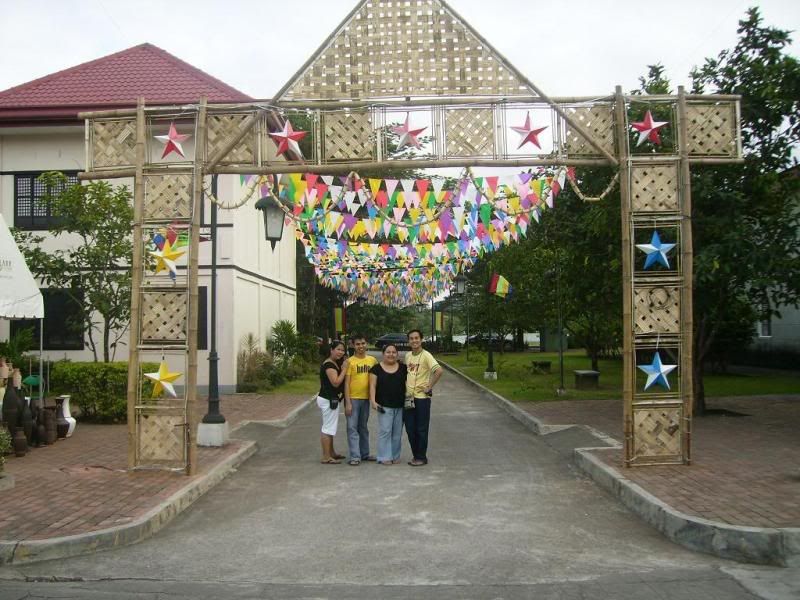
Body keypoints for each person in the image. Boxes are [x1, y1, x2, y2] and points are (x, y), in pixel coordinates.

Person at [403, 329, 443, 467]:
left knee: (421, 428)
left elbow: (438, 371)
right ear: (408, 341)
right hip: (408, 398)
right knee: (409, 428)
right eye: (411, 338)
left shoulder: (426, 355)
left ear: (421, 339)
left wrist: (429, 387)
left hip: (422, 399)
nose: (414, 341)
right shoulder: (408, 356)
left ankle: (421, 457)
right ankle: (416, 455)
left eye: (416, 338)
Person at [369, 344, 408, 465]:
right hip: (384, 406)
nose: (391, 354)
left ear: (397, 354)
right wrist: (373, 401)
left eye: (393, 352)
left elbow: (408, 384)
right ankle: (384, 456)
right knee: (385, 431)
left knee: (397, 432)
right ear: (383, 354)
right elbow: (372, 386)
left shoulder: (403, 368)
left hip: (400, 405)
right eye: (388, 352)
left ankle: (395, 456)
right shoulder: (376, 368)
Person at [344, 333, 378, 465]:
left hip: (366, 399)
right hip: (353, 399)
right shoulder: (350, 362)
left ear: (366, 344)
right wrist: (347, 403)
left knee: (363, 427)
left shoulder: (372, 361)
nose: (361, 346)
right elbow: (346, 383)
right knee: (352, 427)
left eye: (363, 343)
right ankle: (355, 456)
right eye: (358, 344)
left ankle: (365, 454)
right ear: (353, 345)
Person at [317, 340, 348, 464]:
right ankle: (326, 456)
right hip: (327, 399)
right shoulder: (329, 365)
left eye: (342, 350)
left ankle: (332, 453)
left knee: (330, 427)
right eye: (338, 349)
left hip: (330, 399)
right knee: (327, 428)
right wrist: (345, 370)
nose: (340, 352)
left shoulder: (333, 362)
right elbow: (335, 382)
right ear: (331, 350)